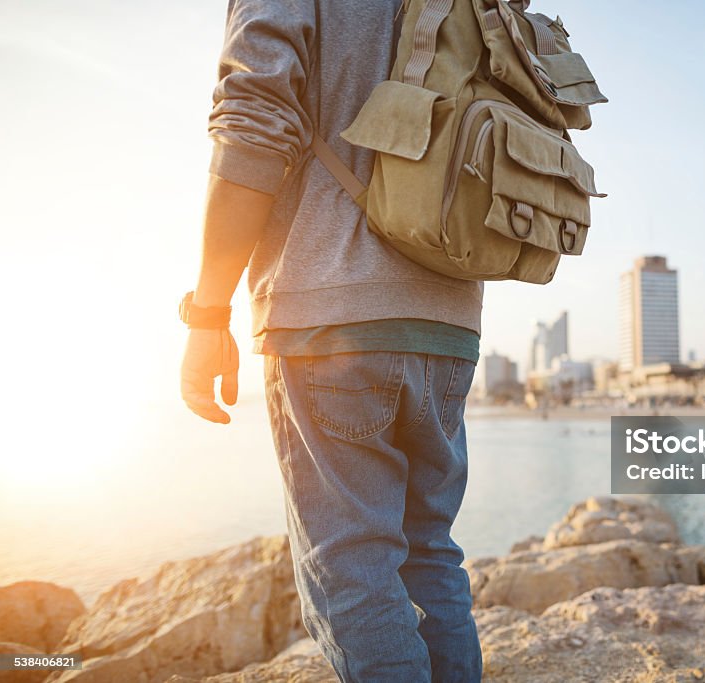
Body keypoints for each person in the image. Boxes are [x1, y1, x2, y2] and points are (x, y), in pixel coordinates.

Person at [178, 1, 485, 680]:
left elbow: (255, 121)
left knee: (353, 568)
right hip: (451, 314)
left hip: (330, 307)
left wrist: (207, 313)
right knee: (428, 551)